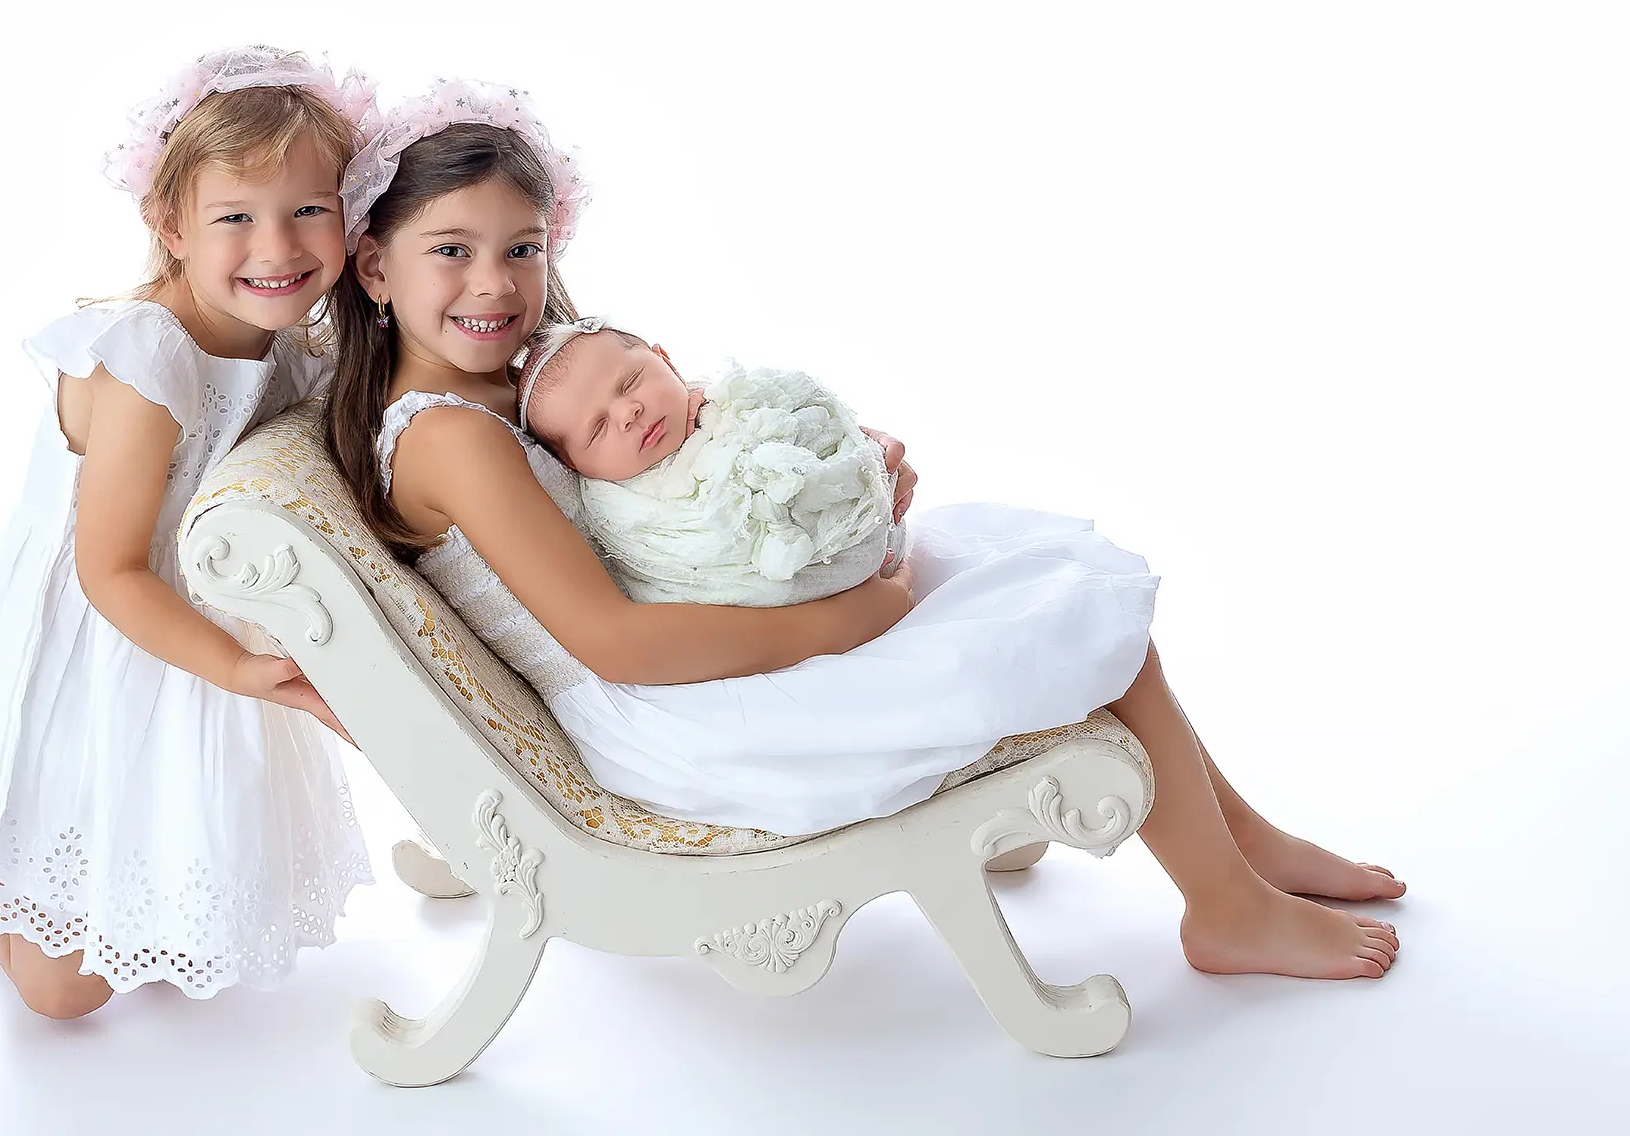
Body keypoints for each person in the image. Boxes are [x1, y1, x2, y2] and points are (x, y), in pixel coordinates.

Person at [324, 79, 1403, 980]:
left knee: (1013, 563)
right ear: (375, 269)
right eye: (450, 251)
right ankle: (1222, 902)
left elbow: (665, 467)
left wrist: (828, 479)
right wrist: (856, 610)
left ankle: (1237, 846)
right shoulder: (450, 438)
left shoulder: (517, 384)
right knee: (1047, 605)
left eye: (520, 247)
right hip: (660, 708)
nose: (496, 284)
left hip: (693, 639)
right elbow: (612, 637)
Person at [0, 47, 375, 1017]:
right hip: (98, 628)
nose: (275, 246)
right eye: (234, 216)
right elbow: (109, 569)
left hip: (188, 611)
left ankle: (11, 849)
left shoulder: (295, 347)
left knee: (170, 885)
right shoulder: (147, 354)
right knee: (63, 997)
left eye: (307, 210)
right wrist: (235, 669)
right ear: (170, 226)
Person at [516, 319, 905, 606]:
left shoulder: (733, 396)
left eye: (631, 382)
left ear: (664, 359)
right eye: (598, 428)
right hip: (814, 610)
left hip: (883, 535)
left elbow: (821, 420)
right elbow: (700, 570)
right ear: (574, 466)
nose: (628, 412)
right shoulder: (623, 509)